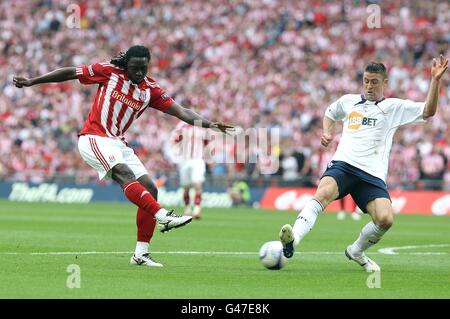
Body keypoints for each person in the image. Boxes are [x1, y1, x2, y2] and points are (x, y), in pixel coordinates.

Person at [13, 45, 233, 267]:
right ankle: (162, 215)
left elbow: (182, 111)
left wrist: (211, 124)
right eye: (135, 67)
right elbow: (71, 72)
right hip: (94, 137)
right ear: (126, 64)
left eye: (143, 68)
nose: (139, 72)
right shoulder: (109, 71)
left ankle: (140, 254)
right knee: (124, 174)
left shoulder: (150, 90)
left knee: (151, 189)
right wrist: (33, 81)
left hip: (119, 143)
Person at [279, 55, 448, 271]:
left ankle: (356, 250)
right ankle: (293, 241)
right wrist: (327, 132)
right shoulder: (348, 101)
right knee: (321, 194)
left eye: (374, 81)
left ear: (385, 83)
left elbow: (429, 111)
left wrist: (435, 81)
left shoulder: (394, 107)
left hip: (372, 174)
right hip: (344, 165)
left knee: (385, 220)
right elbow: (330, 113)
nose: (369, 85)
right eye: (366, 80)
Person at [169, 120, 209, 219]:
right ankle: (187, 208)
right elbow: (174, 139)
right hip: (185, 159)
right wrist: (176, 152)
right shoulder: (182, 126)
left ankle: (197, 209)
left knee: (197, 183)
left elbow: (207, 142)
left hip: (198, 159)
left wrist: (208, 156)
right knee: (186, 186)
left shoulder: (202, 127)